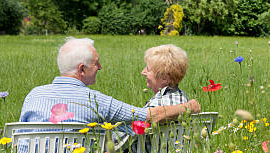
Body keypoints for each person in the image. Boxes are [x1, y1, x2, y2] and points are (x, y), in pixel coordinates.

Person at [20, 37, 200, 125]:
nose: (100, 67)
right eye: (96, 63)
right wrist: (191, 106)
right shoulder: (96, 101)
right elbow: (150, 117)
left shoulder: (32, 95)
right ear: (82, 69)